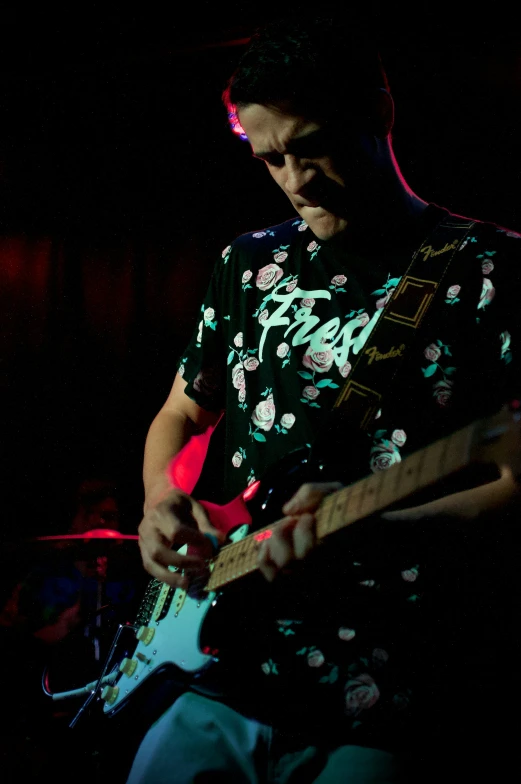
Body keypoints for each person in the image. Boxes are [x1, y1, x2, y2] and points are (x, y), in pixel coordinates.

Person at [127, 16, 521, 783]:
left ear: (378, 114)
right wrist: (156, 501)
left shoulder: (490, 270)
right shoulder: (248, 263)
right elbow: (182, 411)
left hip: (400, 679)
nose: (296, 179)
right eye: (270, 158)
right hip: (222, 664)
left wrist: (385, 529)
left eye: (312, 147)